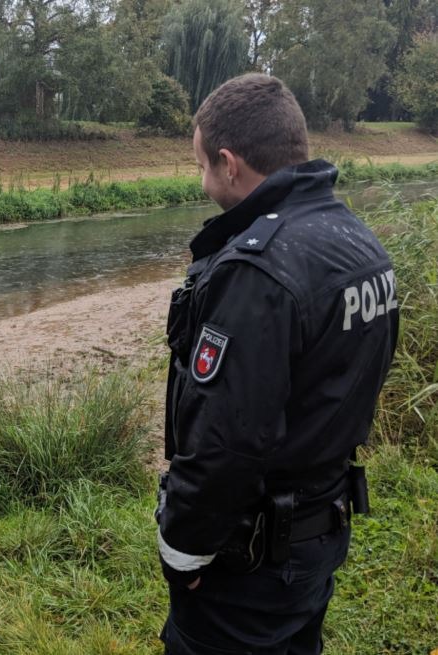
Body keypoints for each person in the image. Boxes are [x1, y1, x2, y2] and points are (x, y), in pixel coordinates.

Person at [157, 73, 399, 654]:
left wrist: (183, 551)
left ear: (228, 163)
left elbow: (226, 443)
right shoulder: (359, 243)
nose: (202, 179)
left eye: (201, 166)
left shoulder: (257, 272)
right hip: (319, 529)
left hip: (251, 561)